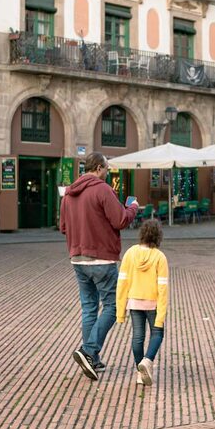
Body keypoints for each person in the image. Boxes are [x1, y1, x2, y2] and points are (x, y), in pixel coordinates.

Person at [59, 151, 138, 381]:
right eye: (106, 168)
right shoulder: (102, 189)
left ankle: (92, 358)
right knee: (114, 306)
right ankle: (89, 350)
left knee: (89, 307)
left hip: (77, 258)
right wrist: (132, 207)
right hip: (102, 258)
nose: (107, 172)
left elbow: (63, 227)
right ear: (99, 168)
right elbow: (121, 220)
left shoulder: (69, 193)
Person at [116, 219, 169, 386]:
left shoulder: (130, 253)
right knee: (157, 333)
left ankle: (140, 373)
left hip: (134, 301)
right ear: (158, 236)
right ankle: (147, 361)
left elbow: (122, 282)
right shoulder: (159, 257)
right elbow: (163, 288)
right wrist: (161, 314)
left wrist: (120, 311)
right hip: (152, 302)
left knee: (138, 336)